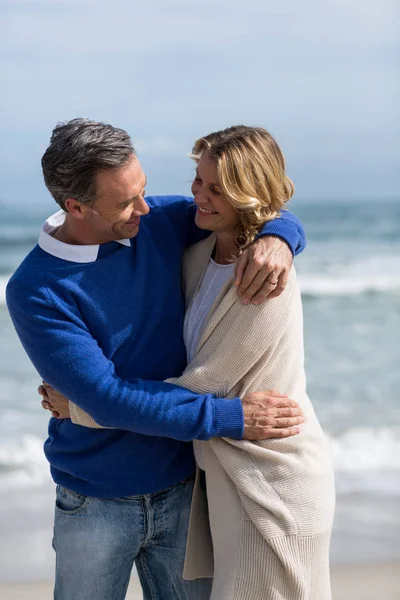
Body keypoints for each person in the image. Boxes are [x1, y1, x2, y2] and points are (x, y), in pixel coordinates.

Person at [6, 119, 307, 600]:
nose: (145, 207)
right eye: (125, 201)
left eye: (142, 189)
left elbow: (247, 208)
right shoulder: (37, 291)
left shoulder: (153, 221)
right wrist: (233, 417)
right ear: (75, 206)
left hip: (187, 489)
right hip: (96, 500)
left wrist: (282, 238)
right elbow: (108, 400)